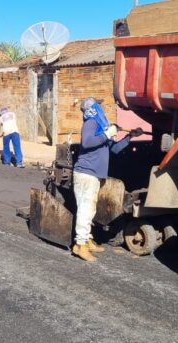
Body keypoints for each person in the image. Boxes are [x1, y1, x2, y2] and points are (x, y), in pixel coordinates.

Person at [71, 97, 142, 262]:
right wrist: (106, 134)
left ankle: (87, 239)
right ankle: (79, 245)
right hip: (86, 174)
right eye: (99, 105)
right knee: (85, 209)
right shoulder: (91, 123)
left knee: (90, 210)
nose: (102, 108)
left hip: (94, 175)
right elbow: (87, 143)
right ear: (93, 108)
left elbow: (115, 149)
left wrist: (130, 136)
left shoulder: (100, 127)